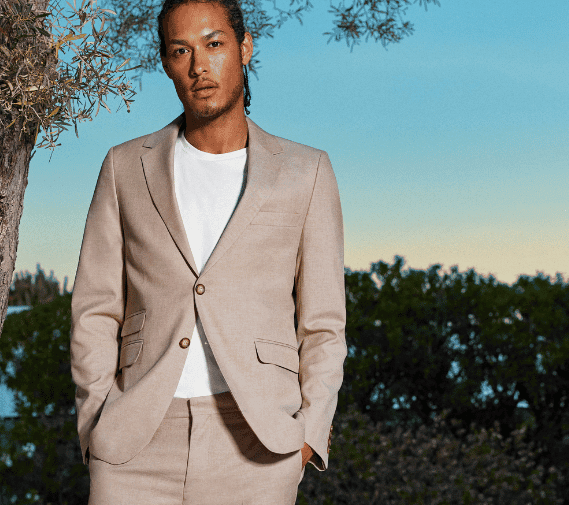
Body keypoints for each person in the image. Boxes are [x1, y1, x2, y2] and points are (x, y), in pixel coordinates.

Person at [70, 0, 346, 503]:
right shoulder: (124, 167)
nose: (199, 66)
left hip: (258, 443)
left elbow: (324, 323)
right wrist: (95, 422)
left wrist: (307, 435)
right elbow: (95, 309)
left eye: (214, 44)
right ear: (166, 63)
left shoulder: (306, 171)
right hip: (135, 443)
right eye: (181, 51)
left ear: (244, 48)